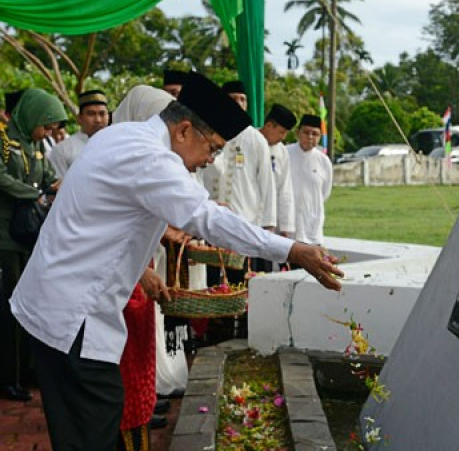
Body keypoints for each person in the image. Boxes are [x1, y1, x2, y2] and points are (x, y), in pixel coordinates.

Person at [10, 72, 342, 450]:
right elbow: (208, 219)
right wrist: (293, 250)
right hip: (72, 316)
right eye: (213, 149)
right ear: (184, 130)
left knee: (92, 421)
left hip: (57, 302)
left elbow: (112, 217)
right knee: (92, 426)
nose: (208, 162)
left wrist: (152, 253)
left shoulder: (124, 136)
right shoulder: (152, 158)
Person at [112, 86, 179, 448]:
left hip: (139, 278)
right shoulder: (115, 162)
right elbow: (110, 234)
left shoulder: (148, 161)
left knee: (139, 363)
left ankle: (140, 418)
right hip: (117, 287)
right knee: (122, 371)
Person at [0, 89, 67, 402]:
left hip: (31, 234)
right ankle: (7, 378)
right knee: (11, 306)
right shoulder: (3, 140)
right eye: (47, 125)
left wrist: (58, 184)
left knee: (31, 303)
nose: (49, 132)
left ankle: (28, 370)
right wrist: (34, 193)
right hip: (6, 237)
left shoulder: (36, 143)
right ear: (32, 117)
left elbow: (49, 176)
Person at [198, 80, 276, 284]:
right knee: (212, 280)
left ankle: (241, 317)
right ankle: (216, 317)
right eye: (234, 99)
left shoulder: (256, 139)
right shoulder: (207, 132)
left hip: (244, 220)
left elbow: (266, 182)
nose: (239, 103)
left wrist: (268, 223)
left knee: (239, 281)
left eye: (243, 99)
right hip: (211, 220)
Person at [287, 114, 333, 246]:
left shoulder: (324, 161)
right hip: (288, 228)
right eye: (306, 132)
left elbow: (324, 193)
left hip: (312, 226)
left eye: (315, 134)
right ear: (298, 133)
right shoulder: (284, 154)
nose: (310, 137)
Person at [48, 90, 110, 178]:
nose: (98, 120)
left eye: (102, 114)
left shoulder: (118, 145)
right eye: (91, 114)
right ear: (79, 118)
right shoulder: (63, 150)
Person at [260, 104, 298, 241]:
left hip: (270, 221)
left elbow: (285, 190)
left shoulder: (282, 152)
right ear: (269, 126)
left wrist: (285, 226)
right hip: (247, 218)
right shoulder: (248, 143)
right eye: (281, 132)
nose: (283, 137)